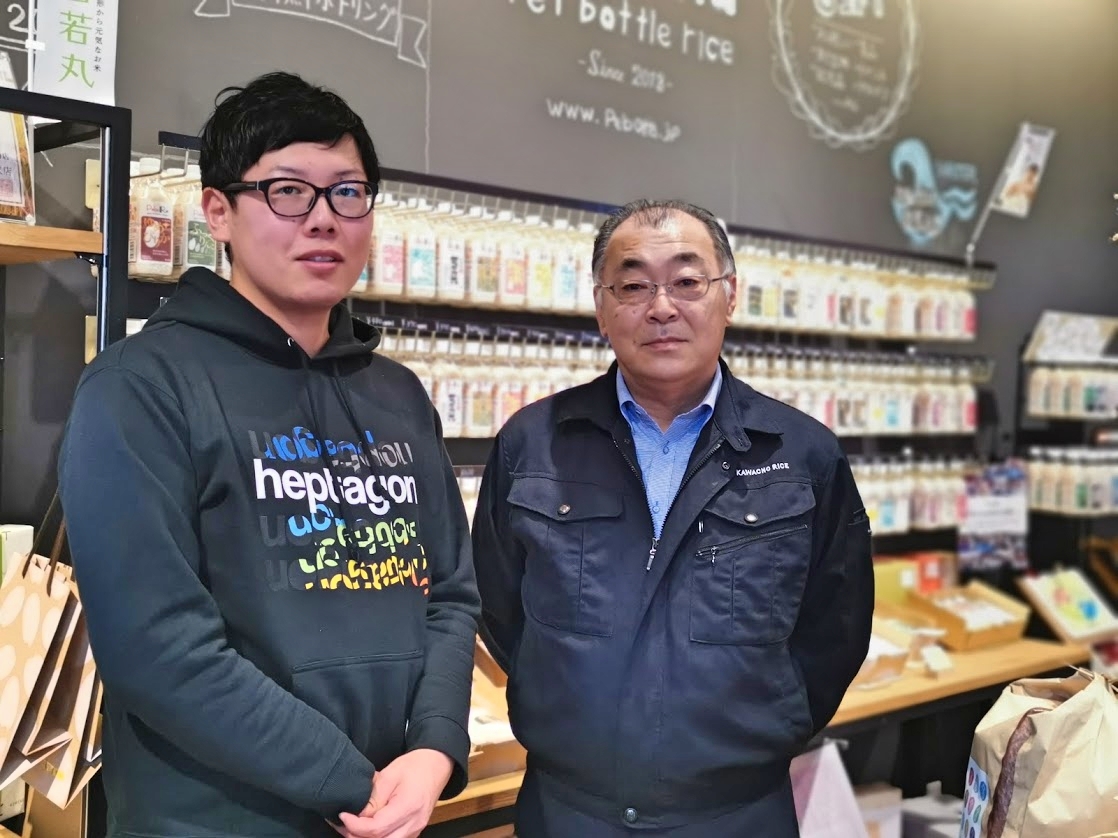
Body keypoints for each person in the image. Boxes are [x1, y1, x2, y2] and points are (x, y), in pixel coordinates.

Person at [58, 72, 480, 838]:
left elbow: (450, 595)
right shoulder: (138, 388)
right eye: (287, 191)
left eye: (347, 193)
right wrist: (351, 782)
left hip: (391, 810)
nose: (323, 219)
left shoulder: (397, 395)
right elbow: (158, 649)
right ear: (218, 211)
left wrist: (434, 749)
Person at [472, 199, 874, 836]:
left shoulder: (802, 454)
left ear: (729, 295)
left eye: (687, 281)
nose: (661, 307)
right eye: (633, 286)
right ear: (601, 306)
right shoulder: (535, 443)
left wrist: (765, 729)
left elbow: (837, 627)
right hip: (570, 811)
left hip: (737, 813)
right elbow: (500, 609)